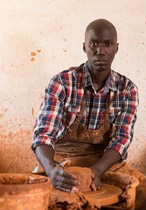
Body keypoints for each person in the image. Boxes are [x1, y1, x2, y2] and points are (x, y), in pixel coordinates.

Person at [32, 18, 138, 192]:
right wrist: (51, 170)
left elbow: (121, 140)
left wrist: (96, 170)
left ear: (116, 48)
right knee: (36, 201)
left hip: (103, 164)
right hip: (61, 163)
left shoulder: (127, 90)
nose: (100, 51)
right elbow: (43, 134)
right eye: (94, 44)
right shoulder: (62, 83)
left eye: (108, 44)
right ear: (84, 47)